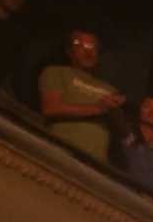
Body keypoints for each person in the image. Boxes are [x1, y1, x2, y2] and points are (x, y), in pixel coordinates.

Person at [37, 28, 125, 162]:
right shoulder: (56, 72)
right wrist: (98, 108)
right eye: (80, 45)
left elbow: (123, 133)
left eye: (92, 47)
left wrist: (117, 114)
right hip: (60, 153)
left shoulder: (110, 90)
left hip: (96, 162)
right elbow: (50, 108)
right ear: (69, 51)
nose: (87, 51)